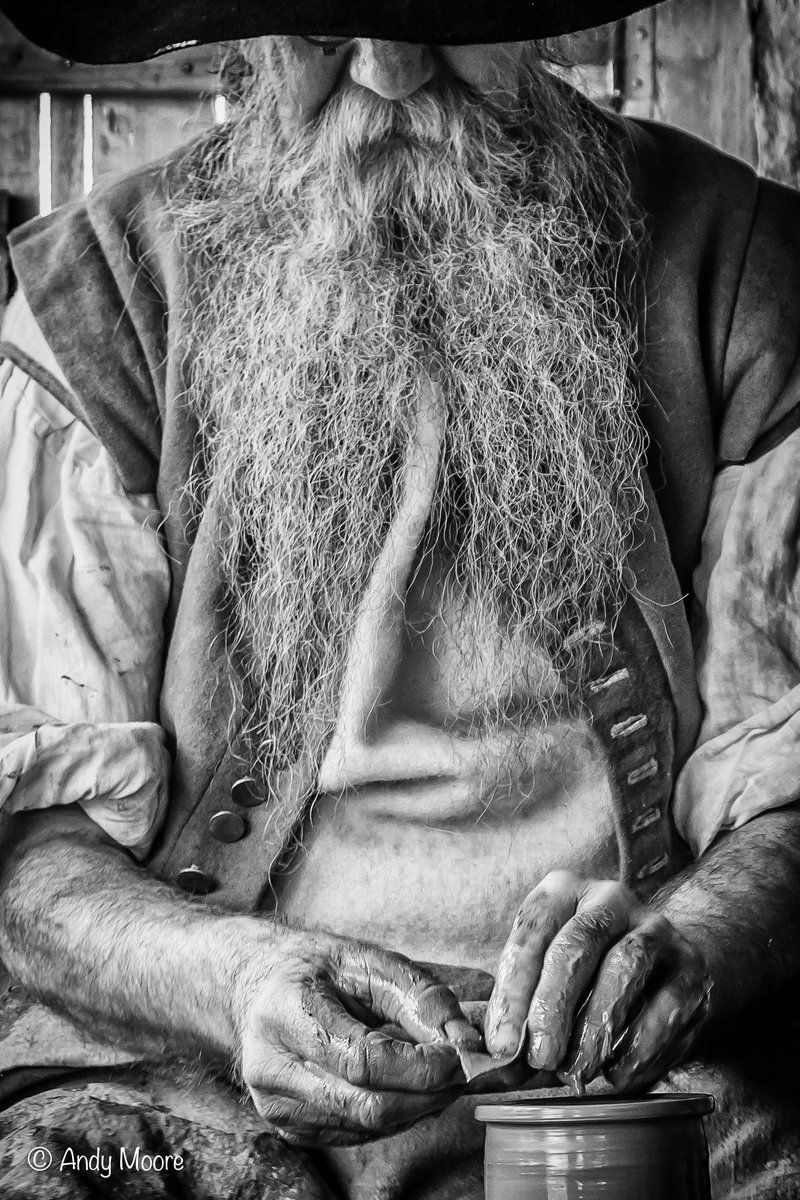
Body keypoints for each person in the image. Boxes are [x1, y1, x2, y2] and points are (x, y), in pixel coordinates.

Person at [0, 0, 800, 1196]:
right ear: (248, 31)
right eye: (324, 27)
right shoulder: (103, 299)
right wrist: (231, 983)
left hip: (638, 1072)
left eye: (450, 12)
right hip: (190, 1058)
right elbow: (30, 856)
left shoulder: (736, 264)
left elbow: (783, 782)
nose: (387, 74)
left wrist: (689, 942)